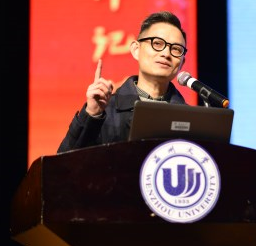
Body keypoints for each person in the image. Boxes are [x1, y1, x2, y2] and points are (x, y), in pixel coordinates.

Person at [57, 10, 188, 153]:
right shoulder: (105, 110)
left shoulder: (189, 118)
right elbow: (63, 163)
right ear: (136, 49)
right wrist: (91, 114)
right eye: (157, 43)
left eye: (176, 49)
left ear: (182, 62)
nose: (166, 54)